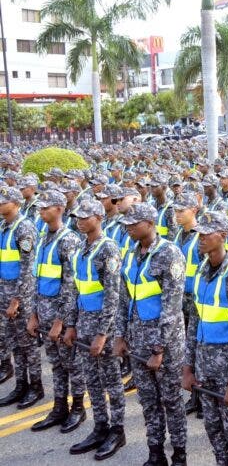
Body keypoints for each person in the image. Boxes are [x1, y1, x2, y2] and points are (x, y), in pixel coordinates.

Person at [115, 203, 188, 466]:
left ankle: (179, 454)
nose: (129, 228)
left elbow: (171, 306)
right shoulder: (132, 254)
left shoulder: (170, 254)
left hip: (164, 346)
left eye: (134, 223)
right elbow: (126, 300)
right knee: (148, 401)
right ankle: (155, 452)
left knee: (171, 401)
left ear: (150, 222)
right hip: (137, 342)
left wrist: (159, 349)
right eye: (127, 224)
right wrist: (121, 336)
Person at [182, 211, 228, 466]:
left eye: (206, 233)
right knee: (213, 430)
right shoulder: (202, 269)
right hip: (205, 367)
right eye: (199, 233)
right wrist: (188, 366)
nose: (200, 238)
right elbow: (194, 322)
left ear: (223, 236)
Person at [64, 199, 127, 460]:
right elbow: (76, 290)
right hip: (84, 325)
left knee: (112, 380)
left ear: (99, 217)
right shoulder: (80, 248)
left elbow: (113, 296)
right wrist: (70, 325)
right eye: (78, 216)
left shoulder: (108, 249)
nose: (80, 220)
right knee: (92, 379)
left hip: (105, 328)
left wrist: (103, 334)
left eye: (86, 216)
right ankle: (100, 425)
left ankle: (117, 429)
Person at [26, 190, 86, 432]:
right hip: (43, 313)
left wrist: (61, 321)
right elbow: (36, 280)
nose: (41, 211)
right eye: (39, 208)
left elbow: (71, 286)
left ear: (60, 209)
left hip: (61, 317)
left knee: (72, 364)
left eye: (46, 207)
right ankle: (60, 406)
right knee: (56, 364)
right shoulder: (43, 239)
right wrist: (33, 314)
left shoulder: (68, 240)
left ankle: (78, 408)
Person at [0, 186, 41, 409]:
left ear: (15, 203)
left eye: (3, 200)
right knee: (14, 342)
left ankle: (35, 386)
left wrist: (17, 300)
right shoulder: (3, 226)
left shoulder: (24, 228)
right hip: (4, 294)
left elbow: (27, 269)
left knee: (28, 344)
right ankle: (20, 384)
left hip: (20, 297)